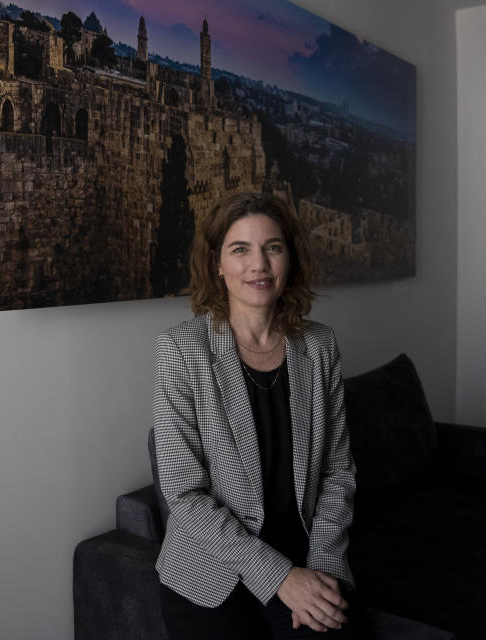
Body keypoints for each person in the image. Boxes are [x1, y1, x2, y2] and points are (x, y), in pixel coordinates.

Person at [153, 192, 369, 639]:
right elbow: (184, 493)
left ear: (289, 258)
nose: (259, 265)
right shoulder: (181, 350)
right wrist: (279, 578)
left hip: (306, 554)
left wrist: (322, 567)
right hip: (211, 568)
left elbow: (337, 471)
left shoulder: (320, 346)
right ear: (216, 262)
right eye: (240, 249)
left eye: (273, 247)